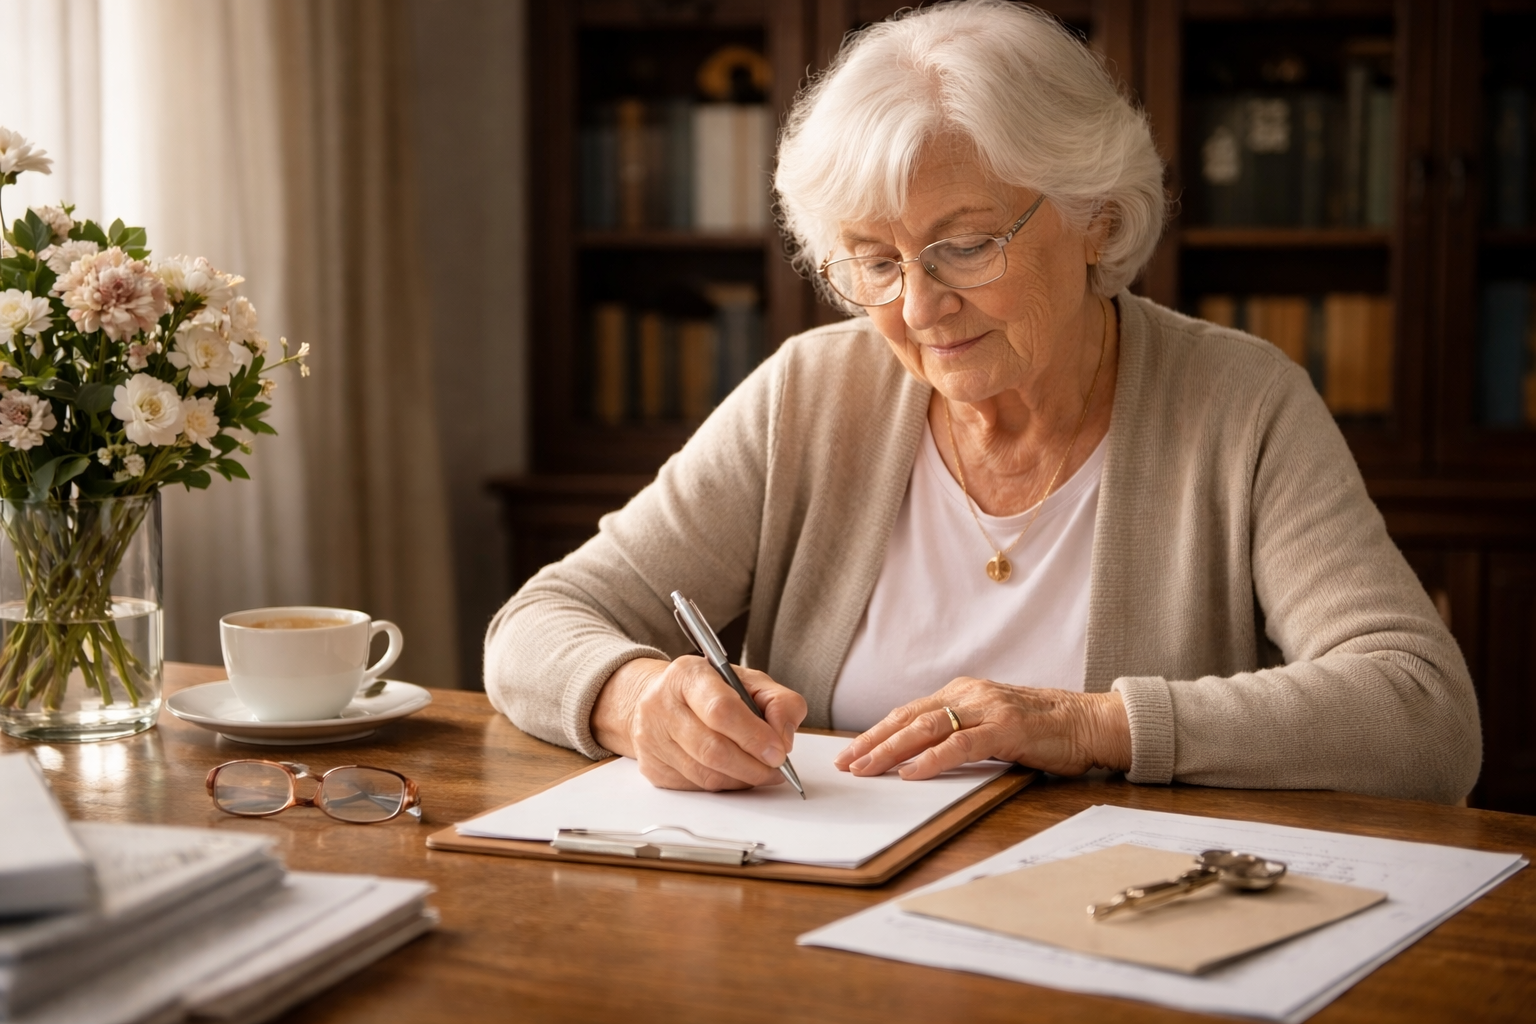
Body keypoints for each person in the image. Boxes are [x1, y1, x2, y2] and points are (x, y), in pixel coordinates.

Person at [485, 0, 1480, 804]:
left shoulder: (1242, 406)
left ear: (1096, 216)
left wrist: (1094, 727)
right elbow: (541, 621)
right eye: (875, 261)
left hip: (1117, 930)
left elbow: (1426, 719)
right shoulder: (810, 392)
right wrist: (636, 696)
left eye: (963, 245)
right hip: (820, 930)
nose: (919, 306)